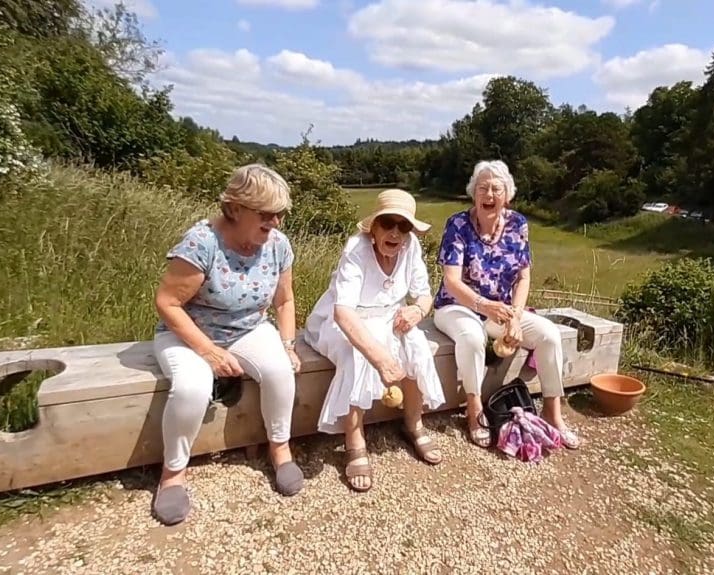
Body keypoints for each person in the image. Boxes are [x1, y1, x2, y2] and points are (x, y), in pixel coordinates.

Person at [151, 164, 305, 526]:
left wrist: (287, 343)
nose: (276, 222)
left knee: (282, 371)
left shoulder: (277, 245)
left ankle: (279, 448)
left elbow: (285, 301)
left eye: (280, 214)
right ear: (235, 208)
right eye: (267, 214)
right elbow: (167, 303)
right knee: (192, 387)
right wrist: (207, 351)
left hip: (250, 327)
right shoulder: (201, 243)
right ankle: (173, 473)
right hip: (188, 332)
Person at [432, 160, 582, 450]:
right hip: (457, 305)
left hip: (500, 309)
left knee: (548, 334)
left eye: (496, 189)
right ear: (473, 193)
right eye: (482, 188)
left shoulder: (518, 224)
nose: (489, 194)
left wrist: (515, 316)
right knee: (472, 337)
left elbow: (524, 277)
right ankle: (474, 409)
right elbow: (451, 280)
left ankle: (553, 413)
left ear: (507, 195)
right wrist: (484, 305)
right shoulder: (458, 224)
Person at [304, 189, 447, 492]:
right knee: (356, 356)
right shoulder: (356, 249)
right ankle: (354, 441)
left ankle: (414, 423)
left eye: (403, 226)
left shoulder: (411, 247)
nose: (396, 232)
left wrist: (417, 311)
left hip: (390, 315)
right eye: (388, 223)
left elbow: (424, 294)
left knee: (417, 346)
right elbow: (343, 313)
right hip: (344, 319)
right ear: (375, 227)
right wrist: (380, 358)